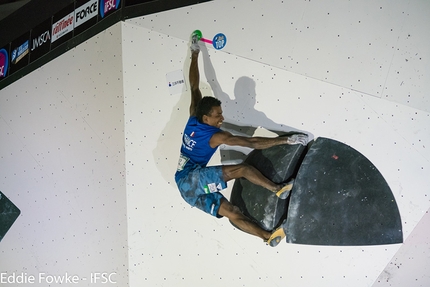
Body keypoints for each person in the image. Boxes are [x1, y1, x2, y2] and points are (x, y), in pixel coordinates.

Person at [174, 33, 308, 247]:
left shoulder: (194, 115)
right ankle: (277, 189)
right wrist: (286, 141)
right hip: (190, 179)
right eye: (218, 116)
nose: (222, 118)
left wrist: (195, 53)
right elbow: (251, 143)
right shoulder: (216, 136)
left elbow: (194, 86)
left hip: (187, 190)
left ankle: (267, 237)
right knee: (242, 169)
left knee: (232, 212)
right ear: (206, 117)